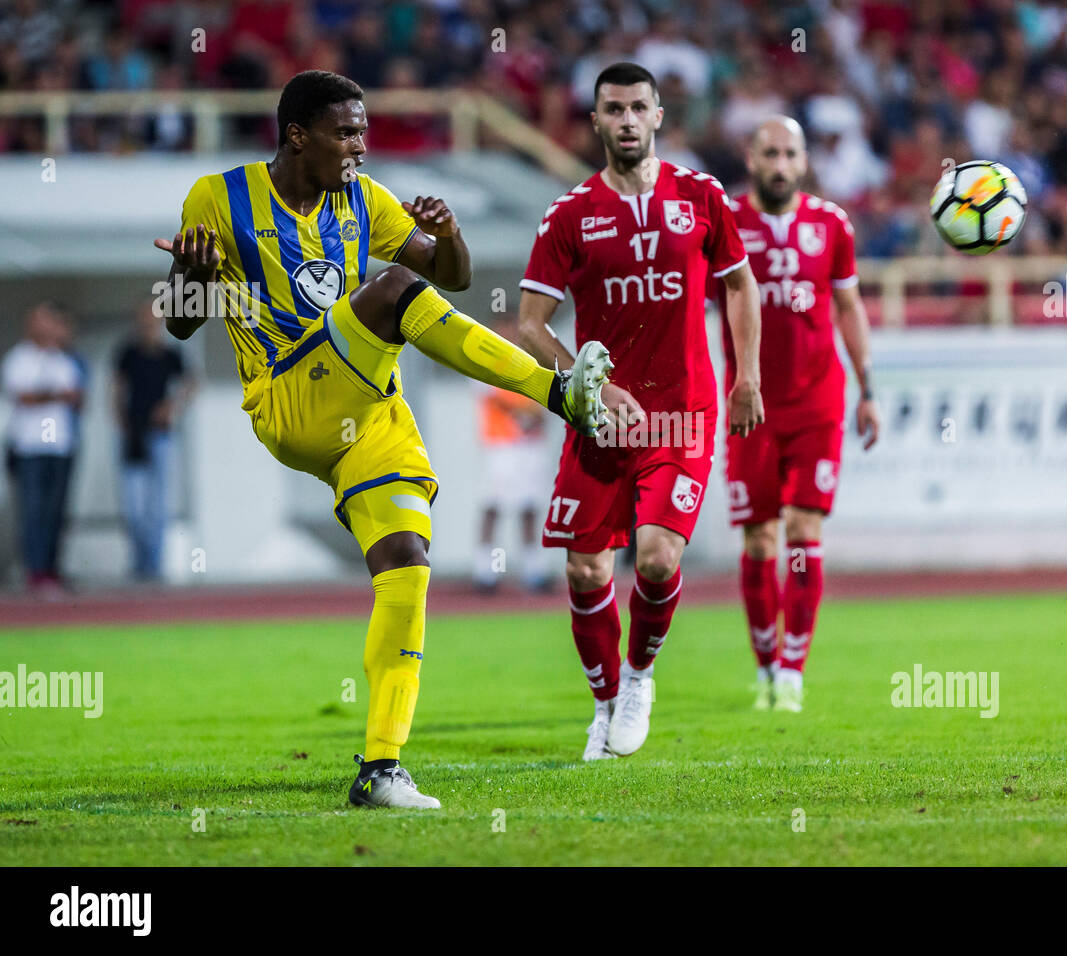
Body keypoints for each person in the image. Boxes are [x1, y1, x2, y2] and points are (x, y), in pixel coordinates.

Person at [155, 70, 611, 810]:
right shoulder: (218, 196)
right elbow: (179, 319)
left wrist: (453, 235)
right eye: (347, 132)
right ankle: (561, 392)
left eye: (365, 130)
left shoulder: (364, 200)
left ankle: (381, 768)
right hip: (290, 398)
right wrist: (189, 273)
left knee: (407, 563)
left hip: (373, 416)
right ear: (298, 135)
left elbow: (450, 280)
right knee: (392, 290)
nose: (362, 146)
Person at [516, 62, 763, 761]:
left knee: (655, 558)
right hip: (599, 419)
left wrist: (747, 375)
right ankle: (603, 704)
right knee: (586, 571)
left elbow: (740, 287)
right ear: (594, 121)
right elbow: (530, 326)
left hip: (683, 413)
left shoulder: (702, 197)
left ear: (658, 117)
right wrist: (586, 383)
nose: (626, 120)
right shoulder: (568, 216)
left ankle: (640, 677)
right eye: (612, 109)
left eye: (638, 108)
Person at [721, 117, 881, 712]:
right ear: (752, 157)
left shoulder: (831, 223)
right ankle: (765, 663)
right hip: (750, 402)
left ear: (805, 159)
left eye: (790, 153)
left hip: (818, 402)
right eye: (770, 153)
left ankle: (792, 670)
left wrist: (868, 387)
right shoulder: (728, 224)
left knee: (802, 531)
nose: (781, 164)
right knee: (760, 539)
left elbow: (848, 306)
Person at [2, 303, 84, 595]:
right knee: (33, 511)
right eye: (42, 321)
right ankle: (33, 572)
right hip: (29, 447)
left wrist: (51, 395)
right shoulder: (19, 358)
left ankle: (51, 570)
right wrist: (55, 394)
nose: (48, 327)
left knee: (56, 512)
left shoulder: (63, 359)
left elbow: (76, 397)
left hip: (61, 446)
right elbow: (23, 396)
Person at [113, 303, 195, 581]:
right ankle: (140, 563)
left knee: (158, 505)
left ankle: (155, 568)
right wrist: (120, 418)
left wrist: (171, 408)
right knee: (135, 506)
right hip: (133, 435)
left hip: (160, 436)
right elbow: (116, 386)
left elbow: (191, 383)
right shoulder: (128, 353)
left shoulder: (171, 354)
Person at [473, 317, 554, 593]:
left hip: (529, 446)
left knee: (529, 507)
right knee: (493, 505)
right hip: (502, 446)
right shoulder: (484, 364)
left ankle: (534, 571)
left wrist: (535, 414)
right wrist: (530, 413)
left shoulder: (528, 364)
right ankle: (486, 572)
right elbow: (509, 404)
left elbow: (543, 406)